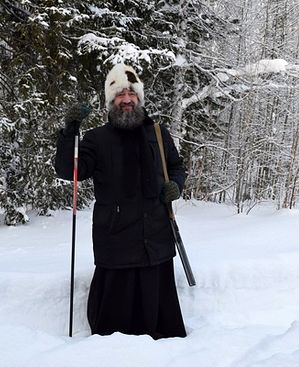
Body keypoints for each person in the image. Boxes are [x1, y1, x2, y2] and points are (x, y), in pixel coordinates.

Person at [54, 64, 187, 339]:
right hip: (116, 242)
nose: (126, 99)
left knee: (162, 333)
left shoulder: (159, 135)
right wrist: (70, 132)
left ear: (139, 98)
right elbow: (69, 171)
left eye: (131, 93)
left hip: (156, 242)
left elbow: (176, 167)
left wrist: (176, 186)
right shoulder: (96, 139)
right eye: (119, 95)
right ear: (110, 101)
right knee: (112, 334)